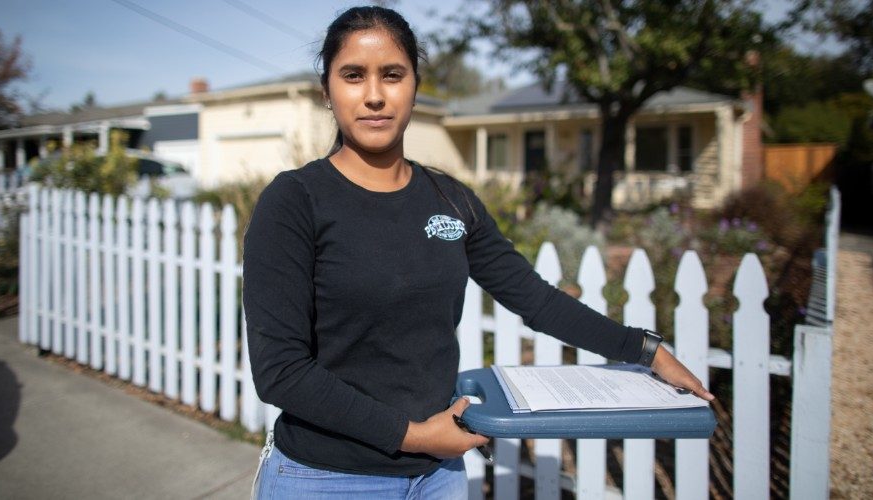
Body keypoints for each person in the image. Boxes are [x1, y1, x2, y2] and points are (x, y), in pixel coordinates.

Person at [243, 6, 714, 499]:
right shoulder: (295, 201)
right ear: (328, 91)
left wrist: (645, 351)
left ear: (415, 86)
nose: (375, 95)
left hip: (437, 478)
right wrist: (417, 436)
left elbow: (536, 300)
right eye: (354, 76)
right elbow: (281, 371)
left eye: (393, 75)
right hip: (328, 478)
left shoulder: (451, 200)